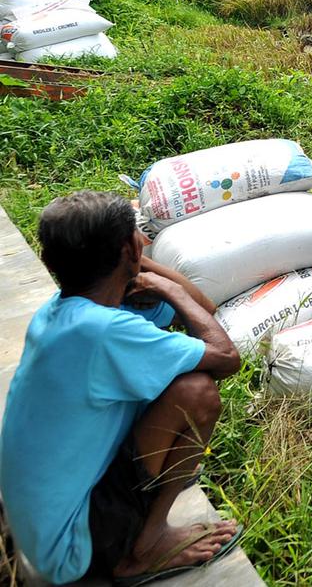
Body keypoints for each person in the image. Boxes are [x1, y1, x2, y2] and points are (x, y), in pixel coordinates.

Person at [0, 191, 243, 585]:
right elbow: (226, 357)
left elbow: (206, 309)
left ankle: (142, 515)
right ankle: (145, 549)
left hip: (40, 527)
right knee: (196, 392)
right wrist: (173, 292)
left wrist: (131, 258)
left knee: (164, 384)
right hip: (74, 550)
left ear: (49, 261)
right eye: (138, 235)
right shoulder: (107, 331)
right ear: (132, 248)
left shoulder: (61, 313)